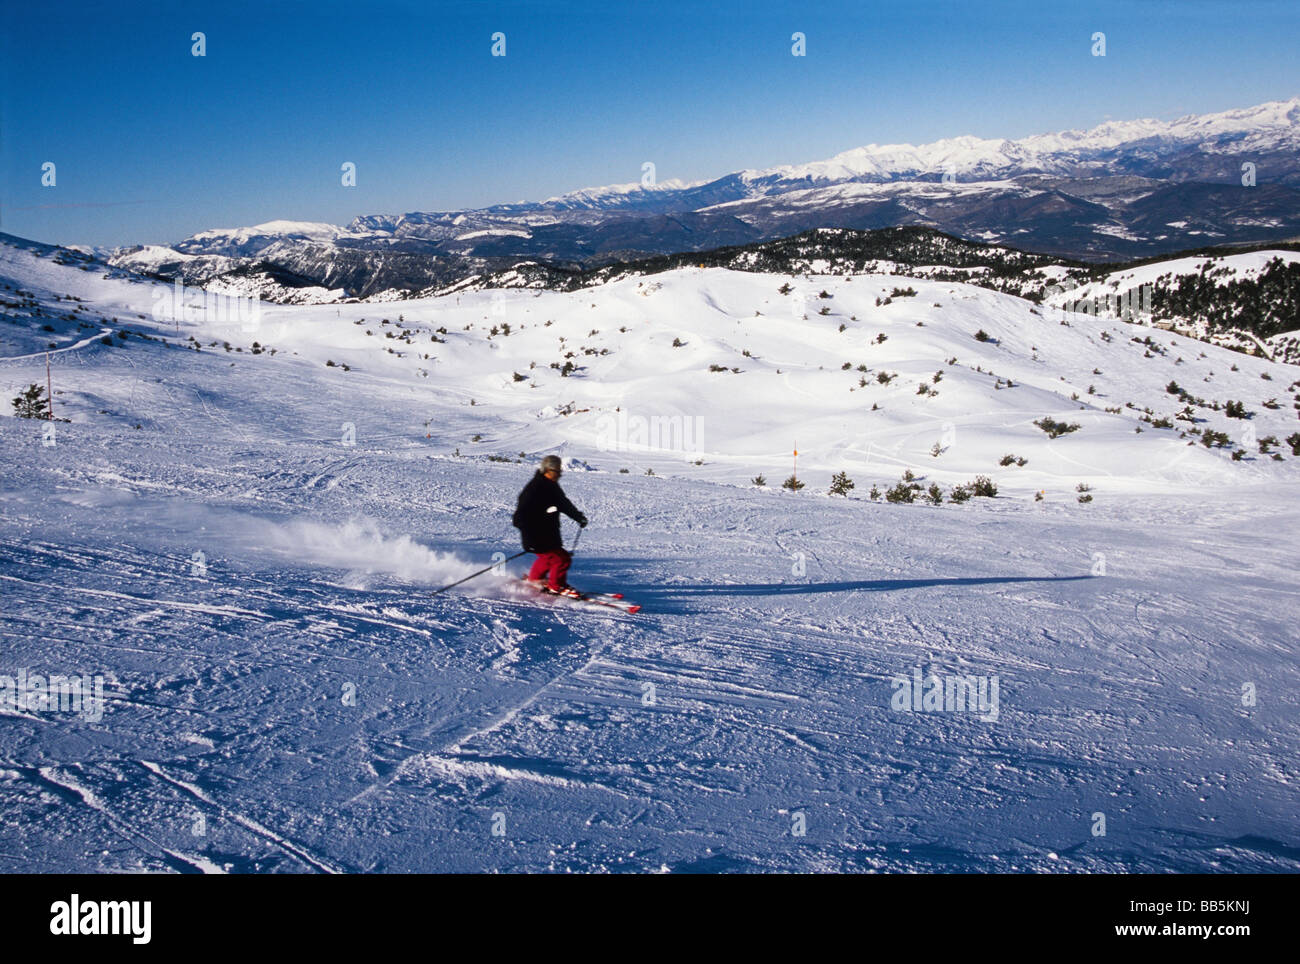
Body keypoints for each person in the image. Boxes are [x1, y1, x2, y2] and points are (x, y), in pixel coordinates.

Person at [512, 455, 588, 597]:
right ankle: (556, 586)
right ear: (547, 470)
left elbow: (563, 503)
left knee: (548, 559)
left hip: (548, 534)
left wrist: (578, 517)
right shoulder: (534, 489)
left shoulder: (551, 485)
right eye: (557, 471)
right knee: (561, 559)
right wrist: (532, 529)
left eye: (560, 471)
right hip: (536, 535)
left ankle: (534, 580)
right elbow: (519, 517)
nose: (560, 474)